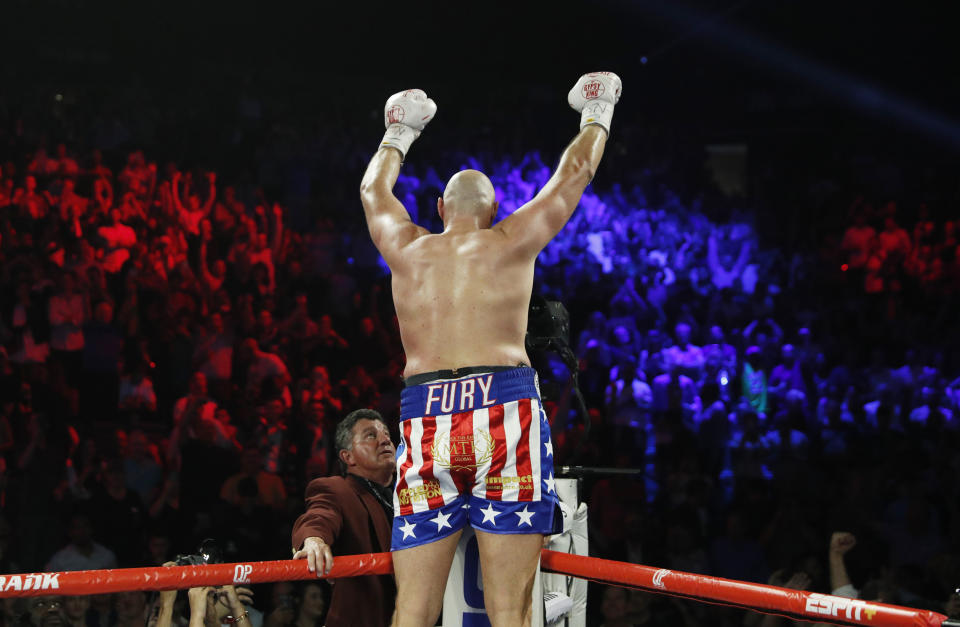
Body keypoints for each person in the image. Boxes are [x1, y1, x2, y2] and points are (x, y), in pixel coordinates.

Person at [358, 72, 621, 626]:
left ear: (437, 206)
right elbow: (575, 172)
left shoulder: (408, 250)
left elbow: (372, 192)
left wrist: (398, 134)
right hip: (504, 411)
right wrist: (598, 110)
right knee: (510, 610)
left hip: (426, 415)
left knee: (413, 609)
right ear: (495, 208)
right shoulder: (511, 240)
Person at [291, 409, 397, 627]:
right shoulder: (338, 489)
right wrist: (314, 540)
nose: (384, 439)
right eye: (371, 435)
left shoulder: (411, 494)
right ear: (347, 456)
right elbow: (319, 515)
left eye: (386, 433)